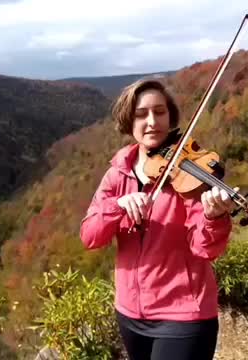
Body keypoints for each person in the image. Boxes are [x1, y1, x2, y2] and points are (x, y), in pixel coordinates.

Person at [79, 78, 235, 360]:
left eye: (159, 112)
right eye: (141, 114)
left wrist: (214, 218)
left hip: (184, 315)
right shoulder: (118, 173)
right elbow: (90, 236)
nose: (152, 121)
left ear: (170, 116)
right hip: (129, 313)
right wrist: (118, 205)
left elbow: (206, 249)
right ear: (128, 121)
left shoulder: (189, 175)